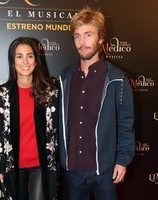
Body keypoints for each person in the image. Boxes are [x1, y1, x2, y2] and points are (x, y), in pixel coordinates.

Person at [59, 7, 135, 200]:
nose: (82, 42)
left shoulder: (117, 80)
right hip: (73, 169)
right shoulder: (65, 78)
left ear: (100, 39)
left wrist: (123, 161)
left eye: (88, 35)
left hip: (105, 170)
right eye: (77, 36)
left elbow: (126, 124)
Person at [0, 37, 59, 200]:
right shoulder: (2, 93)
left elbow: (58, 130)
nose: (25, 61)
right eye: (19, 56)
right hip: (12, 165)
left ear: (36, 60)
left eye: (30, 56)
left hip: (41, 164)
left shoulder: (50, 91)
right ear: (13, 61)